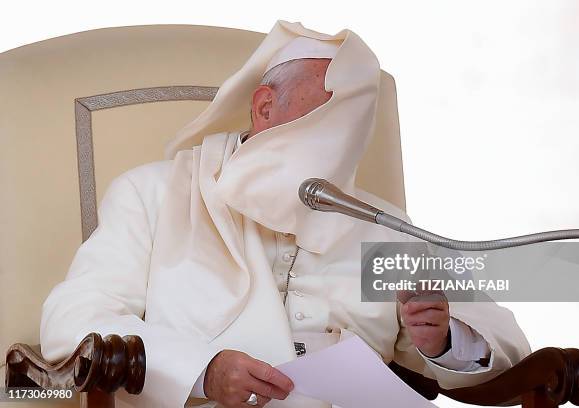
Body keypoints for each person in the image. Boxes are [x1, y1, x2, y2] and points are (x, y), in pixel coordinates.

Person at [40, 21, 531, 408]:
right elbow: (74, 318)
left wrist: (442, 339)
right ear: (264, 106)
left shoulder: (382, 224)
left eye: (347, 141)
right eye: (321, 131)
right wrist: (201, 370)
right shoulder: (152, 192)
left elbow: (505, 340)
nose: (333, 158)